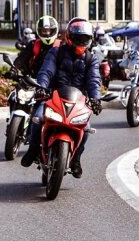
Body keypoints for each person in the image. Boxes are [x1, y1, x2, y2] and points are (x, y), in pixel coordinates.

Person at [20, 18, 102, 178]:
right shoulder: (56, 52)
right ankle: (33, 149)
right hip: (53, 95)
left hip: (78, 101)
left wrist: (96, 99)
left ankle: (76, 159)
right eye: (78, 38)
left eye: (85, 39)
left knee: (85, 129)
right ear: (69, 37)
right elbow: (46, 71)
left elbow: (94, 81)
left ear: (90, 40)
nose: (81, 42)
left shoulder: (91, 59)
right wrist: (42, 88)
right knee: (37, 119)